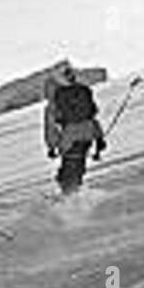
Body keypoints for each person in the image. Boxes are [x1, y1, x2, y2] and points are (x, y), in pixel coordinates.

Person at [45, 62, 105, 195]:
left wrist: (51, 146)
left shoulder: (56, 97)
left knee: (68, 170)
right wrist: (99, 138)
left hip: (70, 137)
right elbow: (93, 113)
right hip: (88, 134)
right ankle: (75, 195)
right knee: (78, 166)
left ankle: (70, 200)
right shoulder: (84, 90)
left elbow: (51, 124)